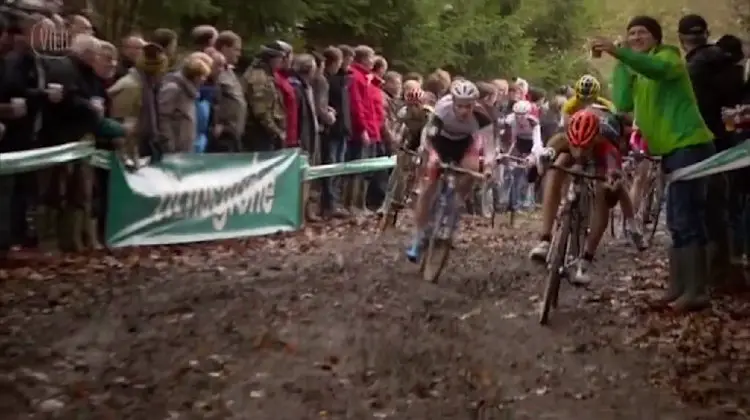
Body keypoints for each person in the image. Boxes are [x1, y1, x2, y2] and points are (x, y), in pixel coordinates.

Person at [596, 15, 715, 312]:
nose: (636, 37)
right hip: (670, 150)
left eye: (642, 33)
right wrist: (622, 63)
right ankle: (678, 288)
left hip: (690, 144)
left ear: (656, 38)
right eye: (631, 33)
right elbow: (622, 103)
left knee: (687, 217)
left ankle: (696, 291)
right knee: (676, 220)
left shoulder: (669, 59)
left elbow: (657, 69)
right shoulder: (638, 69)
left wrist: (620, 52)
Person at [527, 108, 641, 284]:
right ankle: (545, 238)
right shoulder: (561, 139)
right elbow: (542, 160)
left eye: (585, 147)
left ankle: (586, 260)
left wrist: (612, 181)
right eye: (576, 146)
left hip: (601, 158)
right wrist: (537, 167)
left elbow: (614, 176)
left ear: (595, 138)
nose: (580, 152)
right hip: (569, 145)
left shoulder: (607, 146)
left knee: (604, 193)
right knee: (556, 168)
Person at [678, 14, 745, 284]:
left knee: (699, 207)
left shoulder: (691, 69)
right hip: (729, 142)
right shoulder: (730, 63)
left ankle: (706, 275)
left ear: (682, 41)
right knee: (727, 205)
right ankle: (731, 267)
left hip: (697, 142)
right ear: (707, 33)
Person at [405, 80, 490, 261]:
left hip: (465, 144)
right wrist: (434, 156)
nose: (463, 111)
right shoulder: (442, 109)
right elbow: (428, 138)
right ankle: (419, 236)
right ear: (453, 102)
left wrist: (488, 168)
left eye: (468, 106)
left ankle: (455, 206)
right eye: (459, 106)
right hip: (439, 142)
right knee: (428, 187)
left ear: (474, 104)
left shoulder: (482, 116)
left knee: (472, 170)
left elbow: (489, 148)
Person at [241, 43, 286, 151]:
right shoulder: (259, 77)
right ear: (272, 58)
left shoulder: (266, 75)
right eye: (280, 57)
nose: (282, 61)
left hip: (264, 132)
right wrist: (276, 131)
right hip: (258, 133)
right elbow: (261, 111)